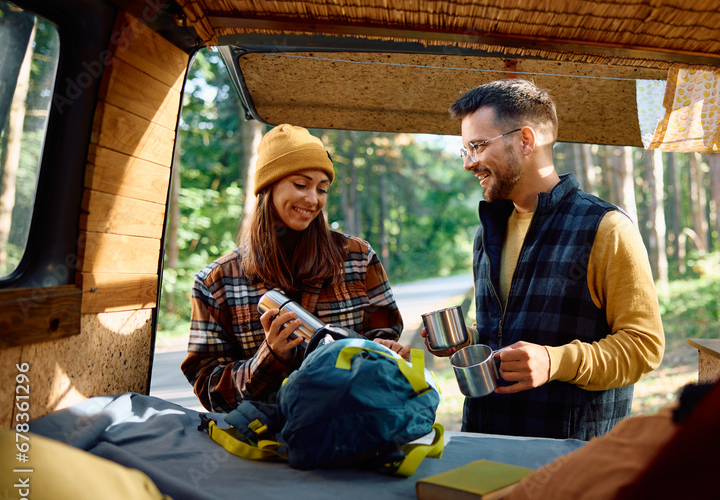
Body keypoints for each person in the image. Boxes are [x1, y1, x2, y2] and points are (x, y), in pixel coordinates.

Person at [425, 79, 665, 440]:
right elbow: (504, 333)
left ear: (525, 139)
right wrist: (464, 341)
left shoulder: (605, 227)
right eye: (465, 151)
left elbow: (644, 346)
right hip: (487, 442)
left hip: (569, 462)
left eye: (477, 146)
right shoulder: (488, 231)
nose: (469, 163)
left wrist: (555, 362)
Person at [182, 124, 407, 413]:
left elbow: (384, 333)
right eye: (301, 185)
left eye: (322, 189)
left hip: (355, 428)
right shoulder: (216, 283)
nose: (313, 199)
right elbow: (210, 391)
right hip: (264, 443)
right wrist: (270, 356)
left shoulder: (357, 258)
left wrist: (386, 352)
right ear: (268, 187)